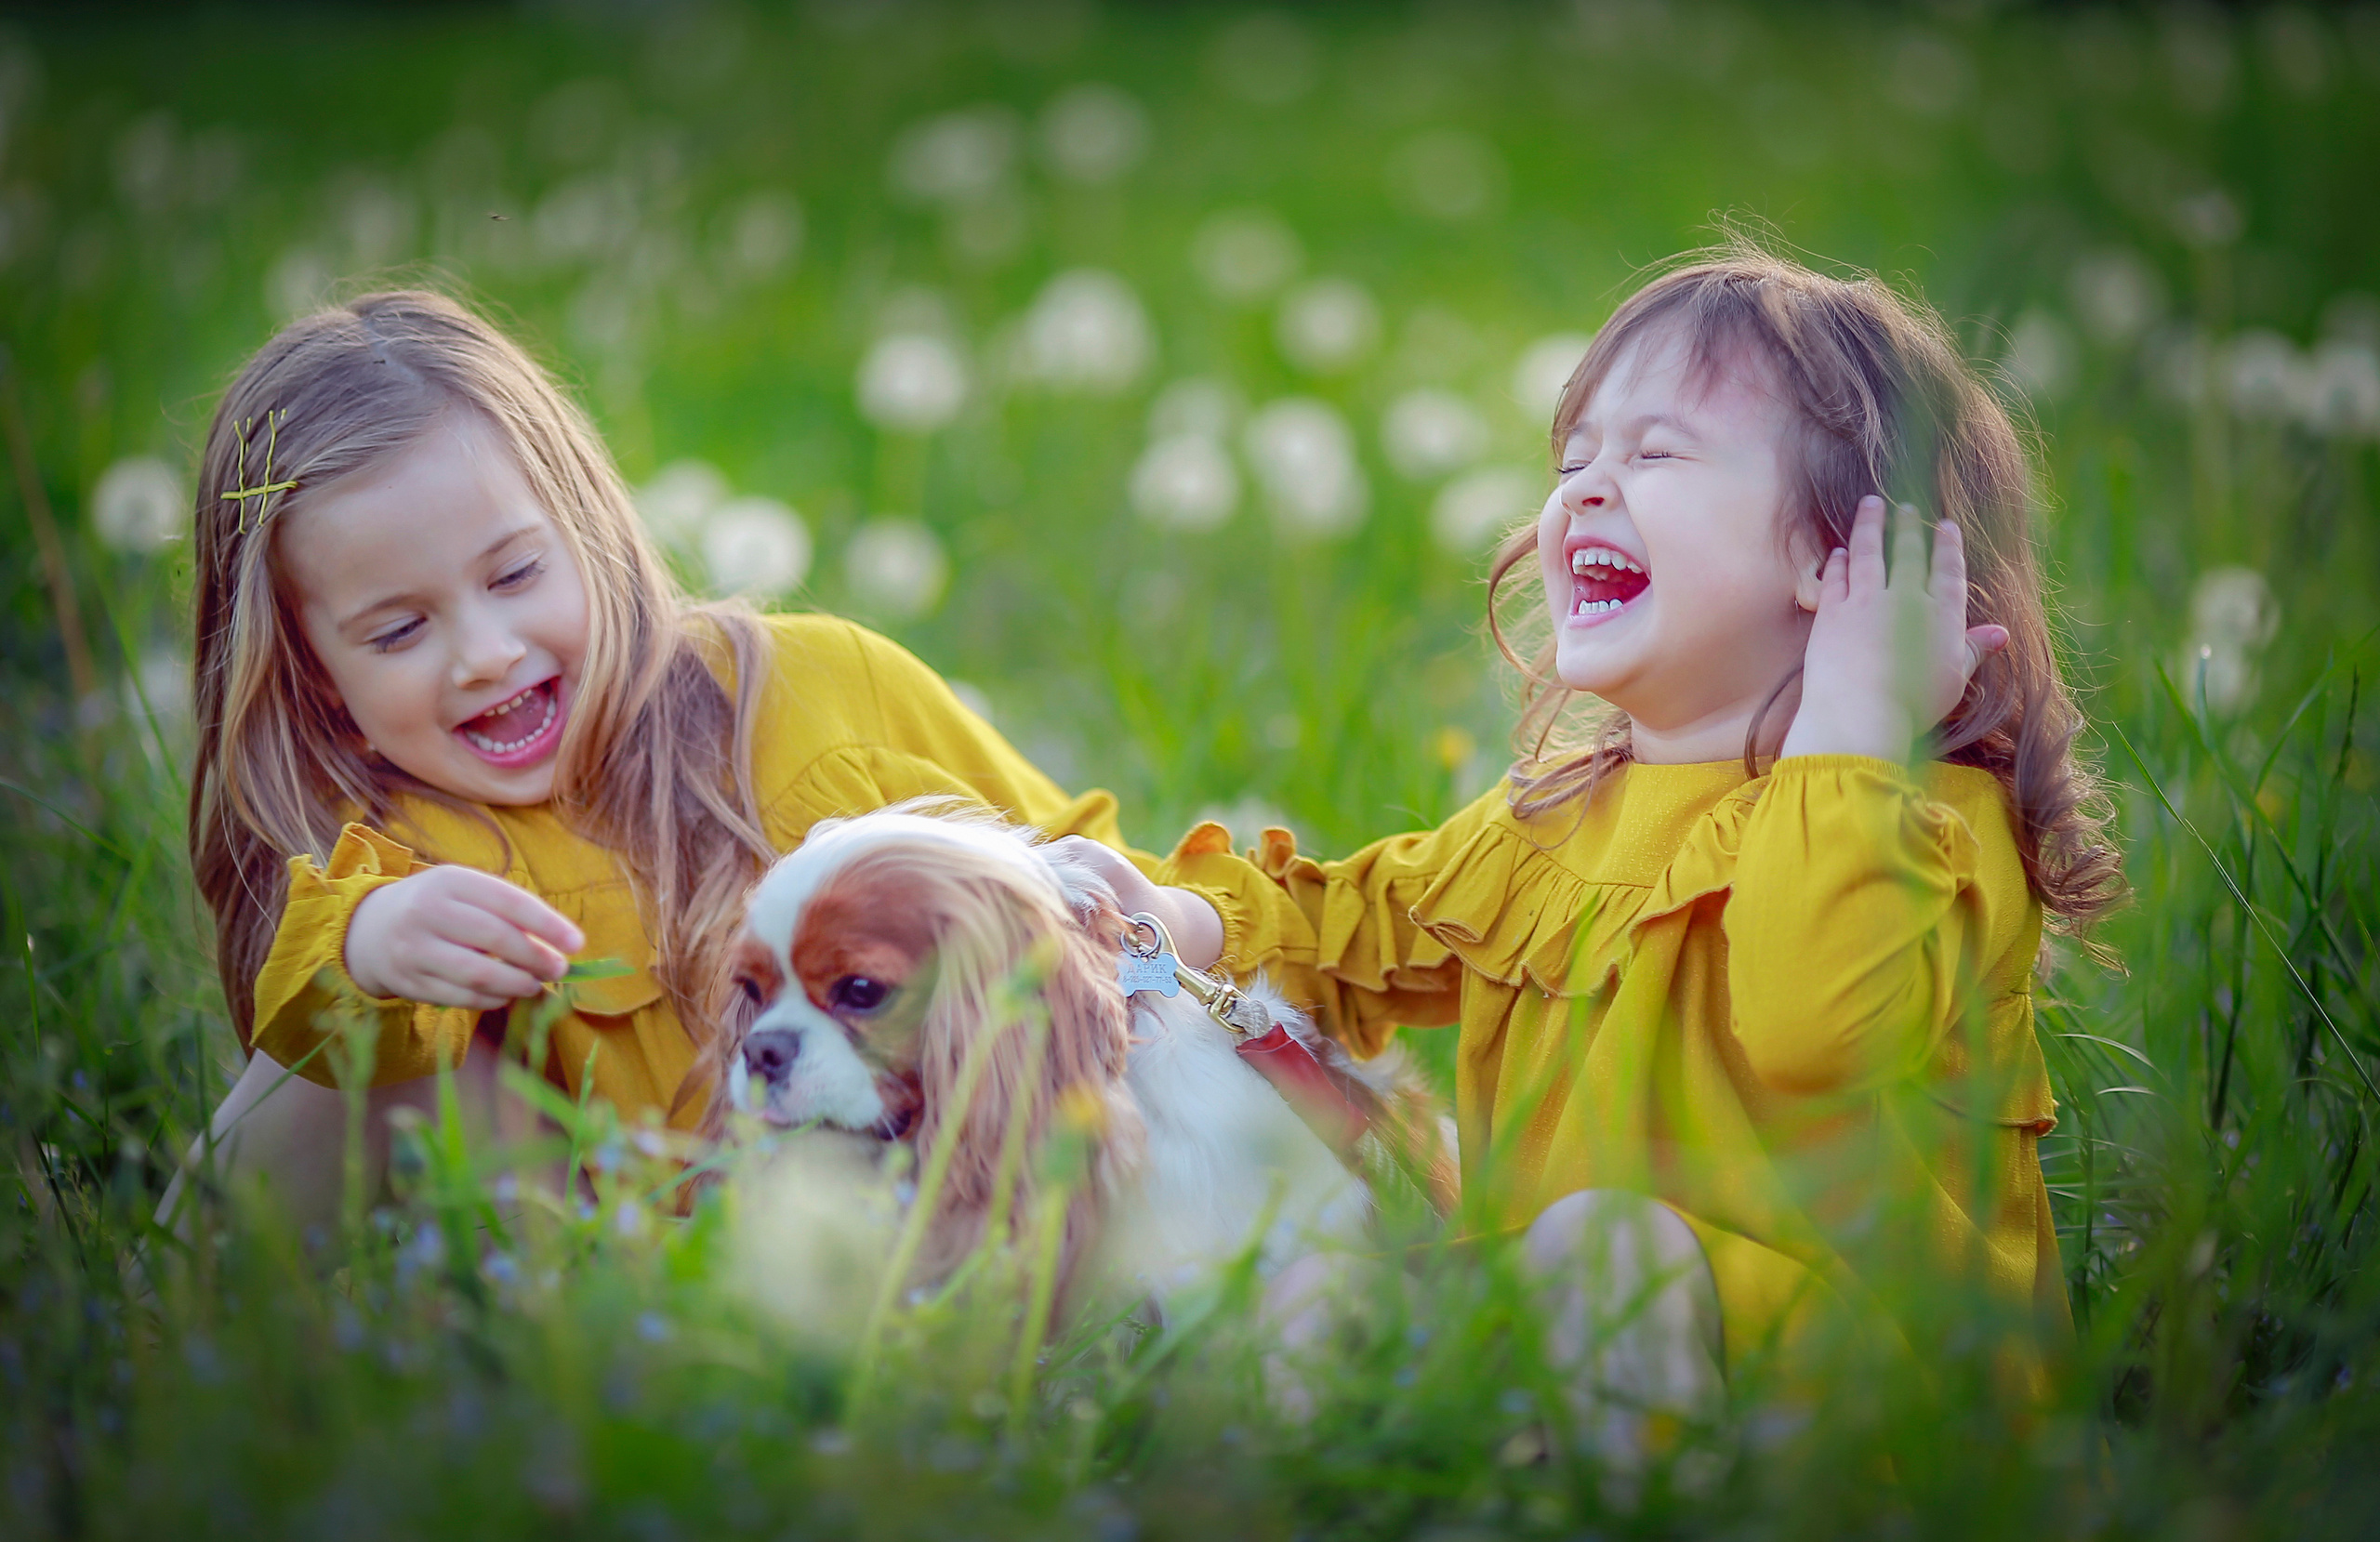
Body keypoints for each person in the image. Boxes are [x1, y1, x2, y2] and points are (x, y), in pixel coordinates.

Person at [1091, 243, 2127, 1417]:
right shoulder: (1554, 821)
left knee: (1603, 1251)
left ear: (1847, 552)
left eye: (1655, 453)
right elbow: (1346, 933)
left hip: (1872, 1411)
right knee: (1312, 1293)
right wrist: (1174, 915)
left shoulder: (1929, 821)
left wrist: (1845, 740)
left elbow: (1818, 1031)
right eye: (1574, 458)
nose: (1583, 488)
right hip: (1577, 1355)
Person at [160, 289, 1225, 1235]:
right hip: (625, 1287)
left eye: (516, 573)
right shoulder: (384, 855)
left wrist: (1174, 928)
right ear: (314, 679)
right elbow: (298, 1034)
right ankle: (155, 1339)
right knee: (347, 1069)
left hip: (947, 1218)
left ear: (589, 533)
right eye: (399, 631)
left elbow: (1129, 919)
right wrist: (366, 949)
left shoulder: (820, 694)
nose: (484, 654)